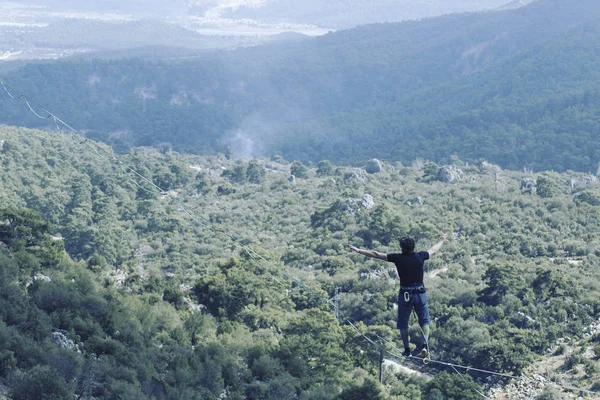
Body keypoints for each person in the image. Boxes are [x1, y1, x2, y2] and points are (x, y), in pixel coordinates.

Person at [349, 233, 447, 358]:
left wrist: (359, 250)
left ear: (402, 247)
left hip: (405, 294)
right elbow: (433, 250)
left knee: (403, 323)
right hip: (420, 293)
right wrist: (442, 240)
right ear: (413, 246)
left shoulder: (398, 258)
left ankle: (407, 349)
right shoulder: (420, 256)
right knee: (424, 320)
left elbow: (376, 254)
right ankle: (424, 345)